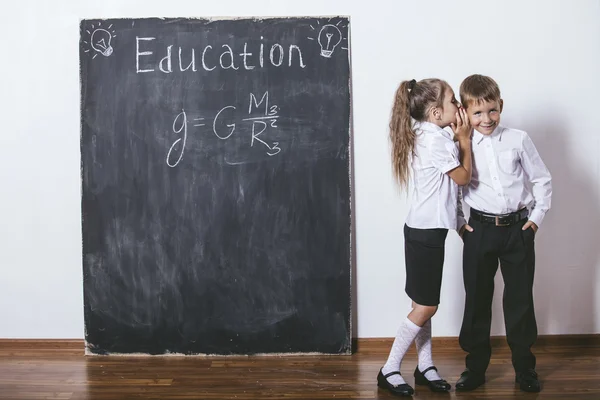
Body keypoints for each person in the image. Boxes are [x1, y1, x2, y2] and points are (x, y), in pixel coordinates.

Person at [455, 74, 552, 393]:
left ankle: (525, 368)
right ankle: (475, 368)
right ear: (465, 112)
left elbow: (541, 179)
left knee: (520, 299)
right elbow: (451, 187)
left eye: (492, 110)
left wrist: (535, 220)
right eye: (478, 113)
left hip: (517, 231)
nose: (486, 119)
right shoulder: (458, 143)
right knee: (477, 299)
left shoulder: (518, 139)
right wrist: (460, 225)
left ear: (501, 106)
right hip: (478, 231)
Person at [377, 78, 472, 396]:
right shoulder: (438, 141)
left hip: (422, 230)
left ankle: (425, 365)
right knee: (426, 306)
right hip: (425, 234)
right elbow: (462, 177)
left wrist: (458, 224)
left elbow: (444, 191)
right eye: (452, 101)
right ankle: (389, 368)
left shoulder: (428, 133)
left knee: (423, 302)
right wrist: (465, 141)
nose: (458, 106)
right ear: (435, 112)